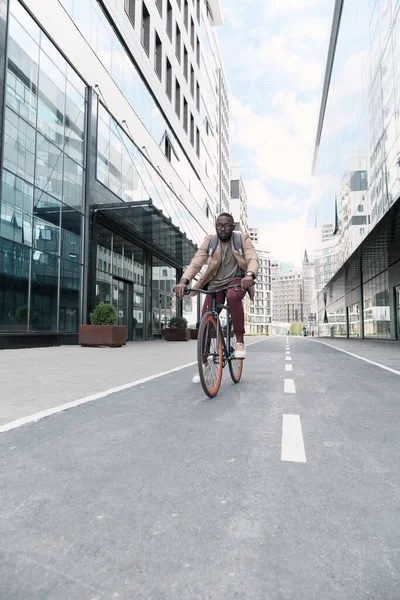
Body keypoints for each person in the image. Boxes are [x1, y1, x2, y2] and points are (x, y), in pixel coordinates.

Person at [174, 213, 259, 383]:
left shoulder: (242, 239)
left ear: (232, 227)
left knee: (234, 297)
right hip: (215, 283)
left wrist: (249, 275)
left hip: (238, 280)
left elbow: (252, 259)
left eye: (226, 225)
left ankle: (240, 340)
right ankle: (203, 363)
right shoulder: (210, 241)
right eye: (219, 225)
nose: (222, 228)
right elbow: (196, 263)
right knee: (206, 317)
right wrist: (183, 281)